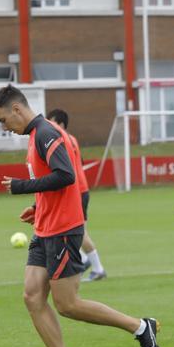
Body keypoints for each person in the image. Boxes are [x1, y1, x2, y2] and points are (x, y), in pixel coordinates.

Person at [0, 85, 159, 347]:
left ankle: (141, 327)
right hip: (45, 226)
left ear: (17, 109)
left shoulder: (45, 133)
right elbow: (52, 183)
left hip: (63, 229)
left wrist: (22, 187)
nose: (4, 127)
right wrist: (36, 207)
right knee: (32, 295)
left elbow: (65, 175)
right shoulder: (34, 136)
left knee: (68, 304)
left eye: (3, 120)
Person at [46, 109, 107, 281]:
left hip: (76, 191)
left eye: (52, 122)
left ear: (61, 124)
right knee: (67, 231)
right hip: (80, 189)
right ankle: (85, 261)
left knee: (78, 233)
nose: (49, 126)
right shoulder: (71, 139)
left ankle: (97, 267)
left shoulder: (60, 141)